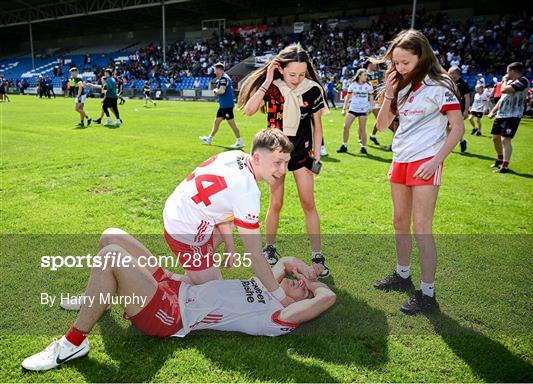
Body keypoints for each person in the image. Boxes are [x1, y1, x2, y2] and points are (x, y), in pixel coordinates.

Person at [20, 228, 335, 371]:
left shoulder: (276, 319)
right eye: (297, 281)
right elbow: (288, 261)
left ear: (299, 306)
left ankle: (74, 343)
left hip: (171, 315)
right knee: (111, 236)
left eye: (301, 289)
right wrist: (306, 271)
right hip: (174, 286)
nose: (296, 282)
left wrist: (313, 286)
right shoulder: (270, 287)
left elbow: (327, 296)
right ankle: (96, 300)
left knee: (111, 256)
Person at [372, 29, 464, 315]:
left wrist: (435, 162)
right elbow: (382, 125)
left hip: (426, 162)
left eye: (405, 63)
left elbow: (457, 128)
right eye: (395, 63)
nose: (399, 68)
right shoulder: (399, 86)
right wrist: (388, 92)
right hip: (400, 160)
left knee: (421, 228)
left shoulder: (440, 86)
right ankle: (402, 275)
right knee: (399, 222)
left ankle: (427, 294)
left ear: (421, 57)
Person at [164, 128, 300, 306]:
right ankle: (158, 280)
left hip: (180, 210)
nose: (283, 170)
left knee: (205, 277)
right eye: (277, 163)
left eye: (286, 163)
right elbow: (255, 256)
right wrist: (282, 297)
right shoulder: (247, 192)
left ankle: (190, 273)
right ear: (257, 158)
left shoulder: (236, 155)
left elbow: (221, 205)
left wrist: (229, 244)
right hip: (185, 230)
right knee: (218, 297)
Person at [237, 44, 331, 278]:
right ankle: (270, 249)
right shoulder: (272, 88)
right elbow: (248, 111)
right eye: (292, 74)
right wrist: (268, 80)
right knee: (275, 203)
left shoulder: (313, 89)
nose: (297, 79)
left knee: (308, 203)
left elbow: (317, 126)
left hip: (302, 154)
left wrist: (317, 157)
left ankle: (317, 255)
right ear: (281, 70)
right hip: (275, 156)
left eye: (301, 74)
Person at [487, 62, 530, 173]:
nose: (506, 74)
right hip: (501, 114)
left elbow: (504, 90)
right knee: (495, 139)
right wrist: (493, 111)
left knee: (505, 139)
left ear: (513, 72)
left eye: (508, 71)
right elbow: (503, 98)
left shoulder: (523, 81)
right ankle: (500, 159)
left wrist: (504, 81)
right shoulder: (510, 82)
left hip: (513, 115)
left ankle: (505, 166)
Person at [199, 63, 244, 149]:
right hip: (224, 105)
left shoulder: (223, 78)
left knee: (232, 124)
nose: (214, 71)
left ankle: (239, 141)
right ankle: (209, 139)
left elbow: (222, 91)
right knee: (216, 122)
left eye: (215, 69)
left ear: (219, 69)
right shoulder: (224, 77)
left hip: (226, 105)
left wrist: (215, 90)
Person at [337, 68, 374, 154]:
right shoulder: (353, 84)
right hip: (353, 108)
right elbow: (347, 98)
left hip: (363, 109)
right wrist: (344, 109)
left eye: (366, 75)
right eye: (364, 75)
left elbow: (371, 97)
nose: (366, 76)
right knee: (345, 126)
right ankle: (344, 146)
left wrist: (371, 107)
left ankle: (364, 148)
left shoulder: (368, 85)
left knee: (362, 129)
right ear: (359, 75)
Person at [448, 66, 470, 152]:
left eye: (450, 73)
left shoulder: (463, 84)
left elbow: (467, 97)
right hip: (448, 108)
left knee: (453, 126)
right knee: (447, 127)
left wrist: (466, 110)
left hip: (459, 109)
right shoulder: (449, 83)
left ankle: (459, 142)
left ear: (456, 73)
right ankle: (459, 142)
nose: (449, 74)